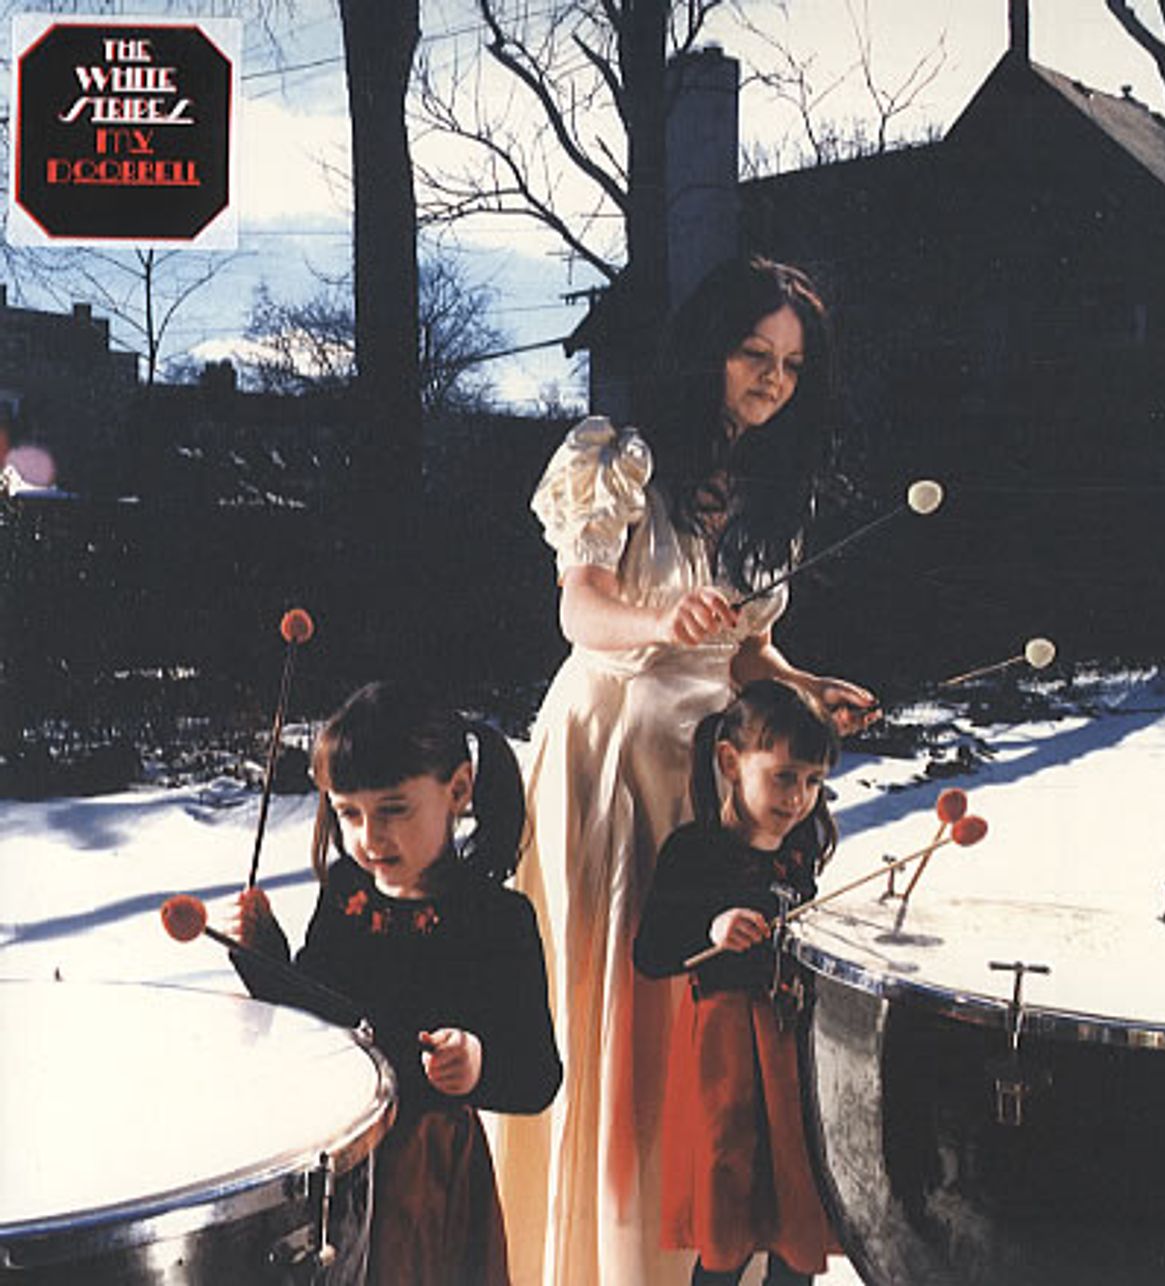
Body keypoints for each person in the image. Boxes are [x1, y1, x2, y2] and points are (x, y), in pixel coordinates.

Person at [496, 256, 878, 1286]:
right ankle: (599, 1255)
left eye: (791, 365)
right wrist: (660, 615)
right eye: (754, 353)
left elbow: (746, 655)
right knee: (616, 994)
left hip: (714, 769)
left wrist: (807, 686)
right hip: (612, 754)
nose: (772, 380)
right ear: (708, 348)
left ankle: (683, 1250)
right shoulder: (616, 458)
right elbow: (580, 609)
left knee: (696, 1000)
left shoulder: (769, 493)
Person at [231, 680, 562, 1286]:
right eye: (348, 813)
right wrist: (264, 957)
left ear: (457, 790)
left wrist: (478, 1063)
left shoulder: (496, 918)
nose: (369, 837)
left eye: (393, 810)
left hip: (426, 1175)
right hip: (337, 1154)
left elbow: (538, 1075)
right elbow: (318, 1016)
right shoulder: (345, 893)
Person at [633, 679, 842, 1286]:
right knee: (729, 1202)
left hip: (790, 1042)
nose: (799, 798)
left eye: (812, 781)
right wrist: (713, 929)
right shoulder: (694, 851)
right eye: (783, 776)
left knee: (796, 1204)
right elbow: (652, 955)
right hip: (724, 1053)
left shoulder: (800, 847)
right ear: (730, 763)